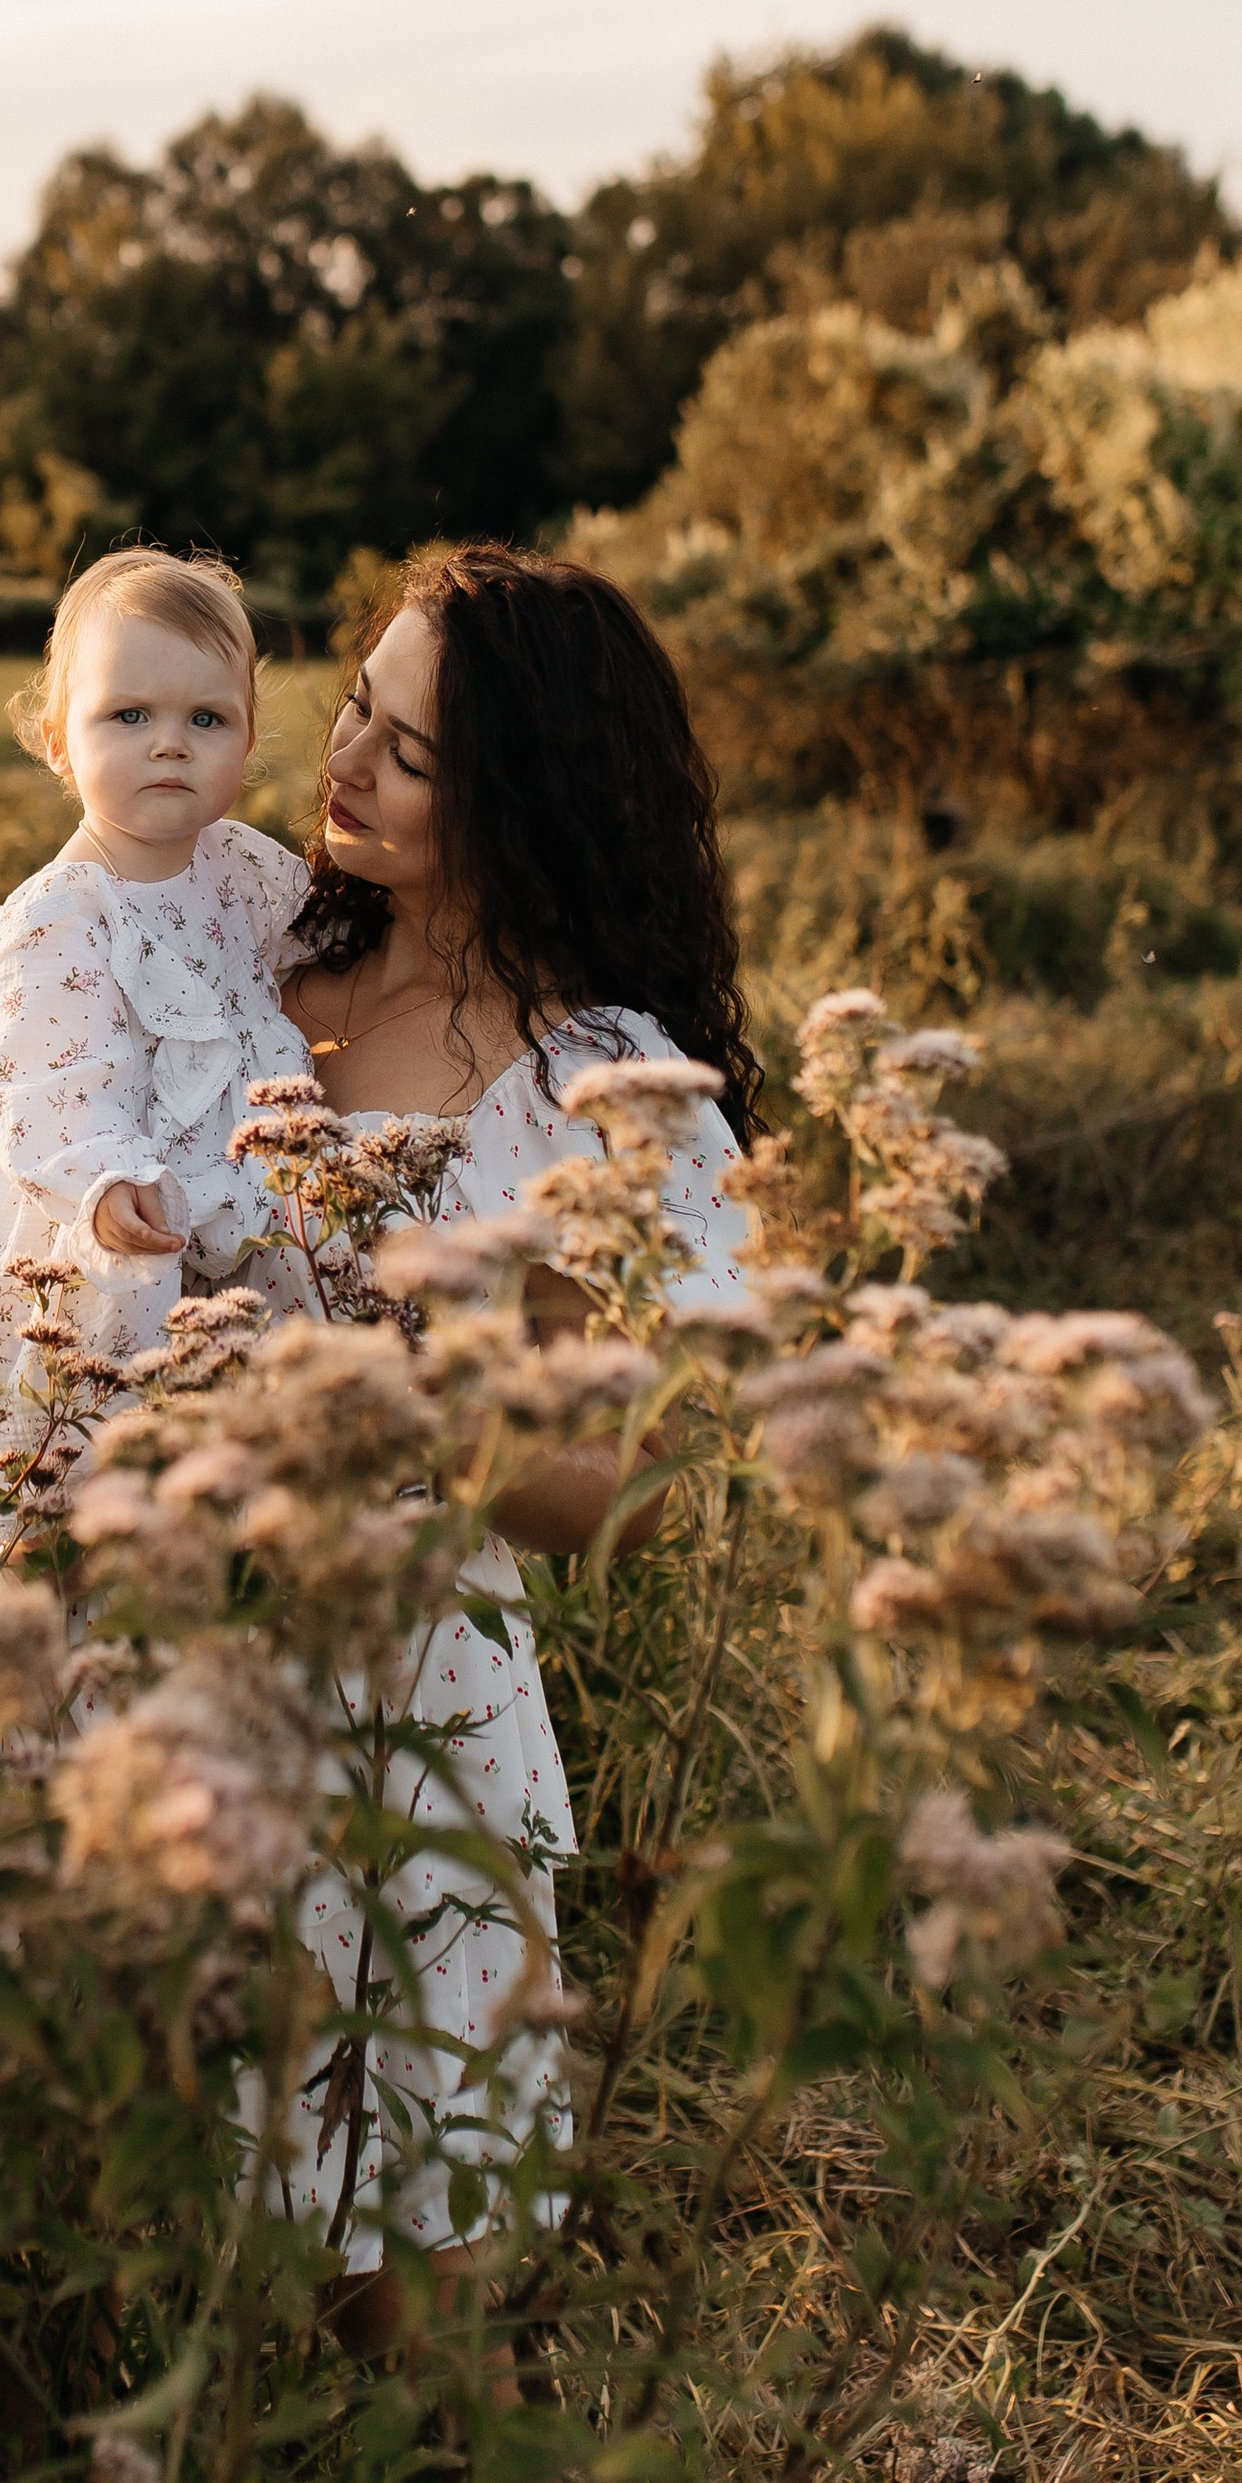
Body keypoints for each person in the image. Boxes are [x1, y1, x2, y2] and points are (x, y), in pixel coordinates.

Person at [263, 542, 761, 2341]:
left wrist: (417, 1408)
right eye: (354, 707)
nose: (342, 765)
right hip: (170, 1638)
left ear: (525, 807)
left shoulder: (586, 1086)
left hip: (415, 1700)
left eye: (406, 755)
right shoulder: (250, 948)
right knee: (155, 2166)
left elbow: (626, 1498)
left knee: (415, 2234)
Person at [0, 549, 309, 1450]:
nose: (170, 742)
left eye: (207, 717)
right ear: (57, 738)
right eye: (129, 715)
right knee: (91, 1452)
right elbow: (47, 1079)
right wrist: (104, 1182)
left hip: (231, 1217)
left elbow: (317, 959)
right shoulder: (64, 912)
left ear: (246, 742)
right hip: (109, 1238)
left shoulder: (243, 869)